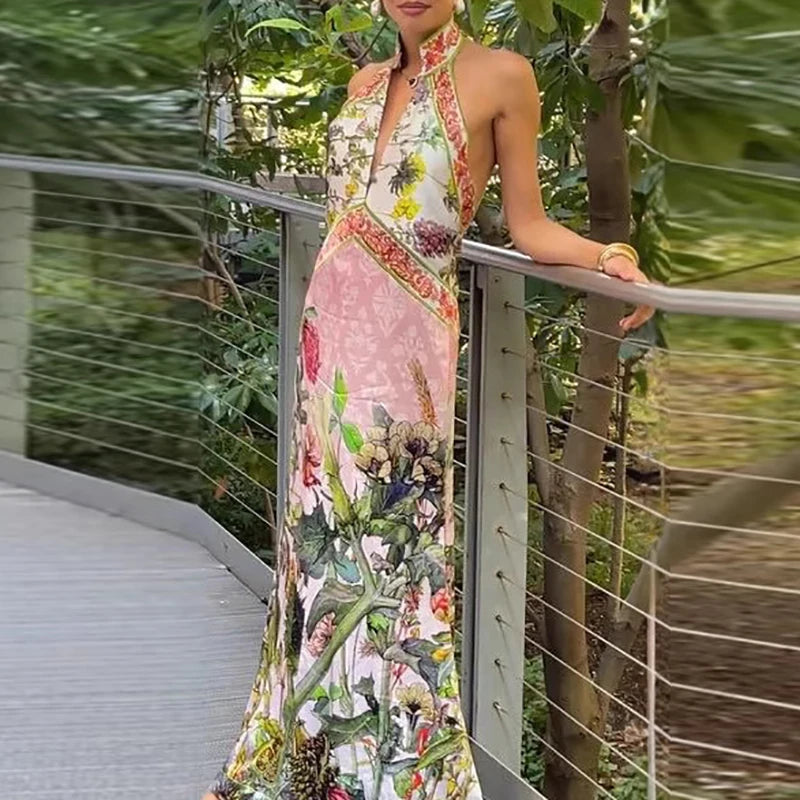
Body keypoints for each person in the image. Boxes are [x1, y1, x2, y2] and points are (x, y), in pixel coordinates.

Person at [204, 2, 652, 799]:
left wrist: (610, 254)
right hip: (328, 350)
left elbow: (529, 227)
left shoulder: (501, 75)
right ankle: (310, 765)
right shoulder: (364, 84)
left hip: (406, 354)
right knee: (321, 555)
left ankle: (396, 777)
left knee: (394, 556)